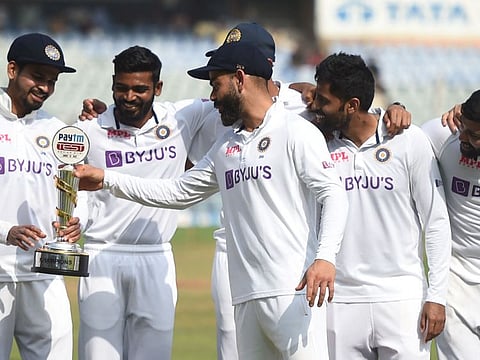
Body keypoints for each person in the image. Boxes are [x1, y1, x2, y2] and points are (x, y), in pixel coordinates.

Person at [79, 22, 412, 360]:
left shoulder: (297, 129)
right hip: (245, 296)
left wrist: (324, 258)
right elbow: (177, 192)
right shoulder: (226, 146)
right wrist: (106, 178)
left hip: (293, 292)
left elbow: (333, 194)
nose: (211, 96)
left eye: (216, 84)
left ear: (239, 79)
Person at [74, 45, 219, 360]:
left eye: (140, 89)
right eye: (122, 88)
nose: (129, 97)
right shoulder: (88, 129)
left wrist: (292, 90)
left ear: (158, 88)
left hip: (156, 255)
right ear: (112, 85)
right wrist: (75, 221)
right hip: (101, 254)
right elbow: (77, 191)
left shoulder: (183, 116)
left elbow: (245, 96)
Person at [311, 52, 452, 359]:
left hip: (401, 298)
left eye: (323, 101)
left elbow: (437, 222)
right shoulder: (316, 143)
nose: (315, 108)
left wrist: (437, 295)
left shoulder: (408, 140)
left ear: (351, 106)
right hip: (340, 300)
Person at [0, 33, 82, 360]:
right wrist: (5, 231)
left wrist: (77, 223)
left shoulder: (58, 132)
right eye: (37, 76)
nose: (45, 87)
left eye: (52, 81)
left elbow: (75, 195)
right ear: (12, 69)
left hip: (44, 272)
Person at [422, 90, 480, 359]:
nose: (464, 139)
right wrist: (396, 110)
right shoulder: (445, 135)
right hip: (456, 282)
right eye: (464, 130)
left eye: (475, 136)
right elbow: (395, 138)